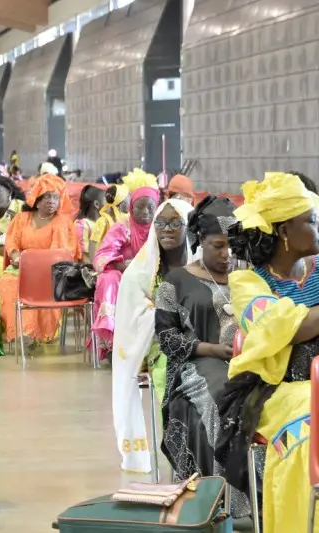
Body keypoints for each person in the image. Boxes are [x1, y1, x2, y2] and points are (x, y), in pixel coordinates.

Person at [215, 173, 319, 533]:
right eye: (312, 220)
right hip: (273, 388)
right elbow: (288, 326)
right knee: (310, 426)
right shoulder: (249, 282)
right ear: (285, 230)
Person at [155, 196, 249, 515]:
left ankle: (262, 500)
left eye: (232, 245)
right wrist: (211, 349)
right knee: (221, 399)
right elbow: (167, 339)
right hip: (193, 368)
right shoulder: (176, 282)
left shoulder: (247, 281)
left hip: (246, 363)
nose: (227, 254)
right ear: (199, 241)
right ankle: (220, 500)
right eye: (218, 245)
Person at [111, 198, 193, 474]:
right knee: (172, 377)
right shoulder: (139, 271)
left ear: (189, 226)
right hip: (160, 349)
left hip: (202, 345)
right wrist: (166, 313)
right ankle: (180, 458)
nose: (166, 229)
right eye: (161, 223)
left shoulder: (203, 265)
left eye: (175, 223)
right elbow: (132, 320)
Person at [0, 174, 80, 345]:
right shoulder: (21, 219)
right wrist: (15, 256)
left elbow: (61, 253)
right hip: (21, 268)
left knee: (36, 284)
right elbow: (11, 242)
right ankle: (20, 335)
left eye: (56, 197)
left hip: (50, 273)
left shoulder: (63, 223)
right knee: (8, 282)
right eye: (47, 197)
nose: (51, 201)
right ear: (37, 198)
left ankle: (34, 334)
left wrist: (32, 263)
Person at [92, 170, 159, 362]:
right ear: (130, 207)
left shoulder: (160, 228)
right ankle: (113, 342)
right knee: (108, 278)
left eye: (150, 207)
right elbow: (102, 255)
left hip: (152, 276)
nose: (145, 212)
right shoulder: (122, 227)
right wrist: (122, 265)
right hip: (124, 275)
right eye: (139, 207)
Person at [88, 183, 129, 259]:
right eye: (128, 198)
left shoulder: (124, 219)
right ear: (121, 205)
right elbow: (92, 243)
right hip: (104, 260)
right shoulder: (102, 221)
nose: (131, 202)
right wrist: (94, 264)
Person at [75, 185, 106, 263]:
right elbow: (84, 257)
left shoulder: (105, 223)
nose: (111, 205)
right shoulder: (82, 225)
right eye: (107, 201)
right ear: (97, 204)